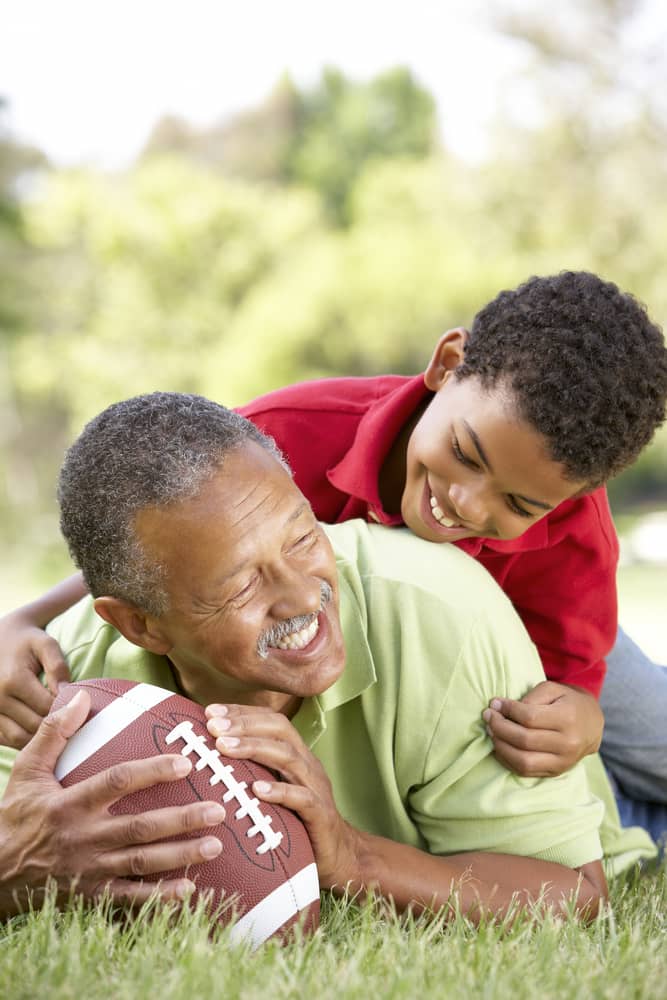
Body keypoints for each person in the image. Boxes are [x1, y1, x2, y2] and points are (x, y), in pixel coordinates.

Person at [1, 272, 666, 803]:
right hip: (384, 659)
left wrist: (581, 719)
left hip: (537, 645)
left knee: (638, 745)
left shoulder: (574, 535)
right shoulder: (287, 433)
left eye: (518, 503)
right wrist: (27, 616)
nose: (463, 502)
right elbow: (162, 545)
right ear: (446, 363)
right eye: (465, 453)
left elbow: (571, 683)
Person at [1, 392, 657, 923]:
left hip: (580, 767)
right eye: (240, 584)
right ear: (141, 626)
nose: (302, 598)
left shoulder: (439, 611)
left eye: (301, 538)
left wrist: (353, 857)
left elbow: (576, 893)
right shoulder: (66, 678)